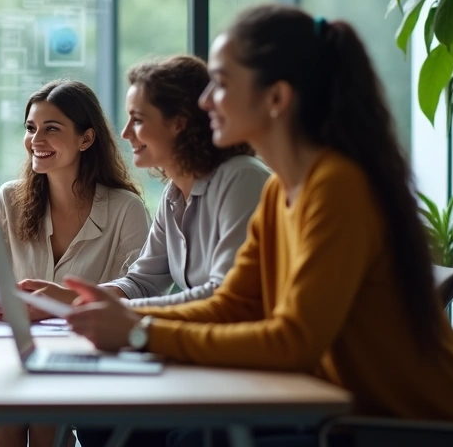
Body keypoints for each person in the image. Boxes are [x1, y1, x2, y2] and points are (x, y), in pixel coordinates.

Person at [64, 5, 453, 447]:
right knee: (152, 429)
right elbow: (234, 304)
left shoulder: (337, 187)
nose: (206, 100)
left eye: (222, 83)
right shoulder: (278, 193)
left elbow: (294, 340)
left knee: (188, 440)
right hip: (345, 410)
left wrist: (140, 331)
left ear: (276, 99)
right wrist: (124, 316)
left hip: (419, 427)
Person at [0, 80, 150, 447]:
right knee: (15, 410)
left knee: (42, 410)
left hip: (91, 355)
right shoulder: (9, 200)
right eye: (31, 128)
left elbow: (140, 293)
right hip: (18, 355)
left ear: (86, 139)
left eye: (52, 129)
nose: (36, 139)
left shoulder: (126, 209)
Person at [20, 57, 270, 310]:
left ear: (178, 124)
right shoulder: (173, 195)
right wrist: (66, 298)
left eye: (137, 120)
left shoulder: (242, 178)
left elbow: (225, 294)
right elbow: (140, 283)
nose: (126, 133)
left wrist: (116, 312)